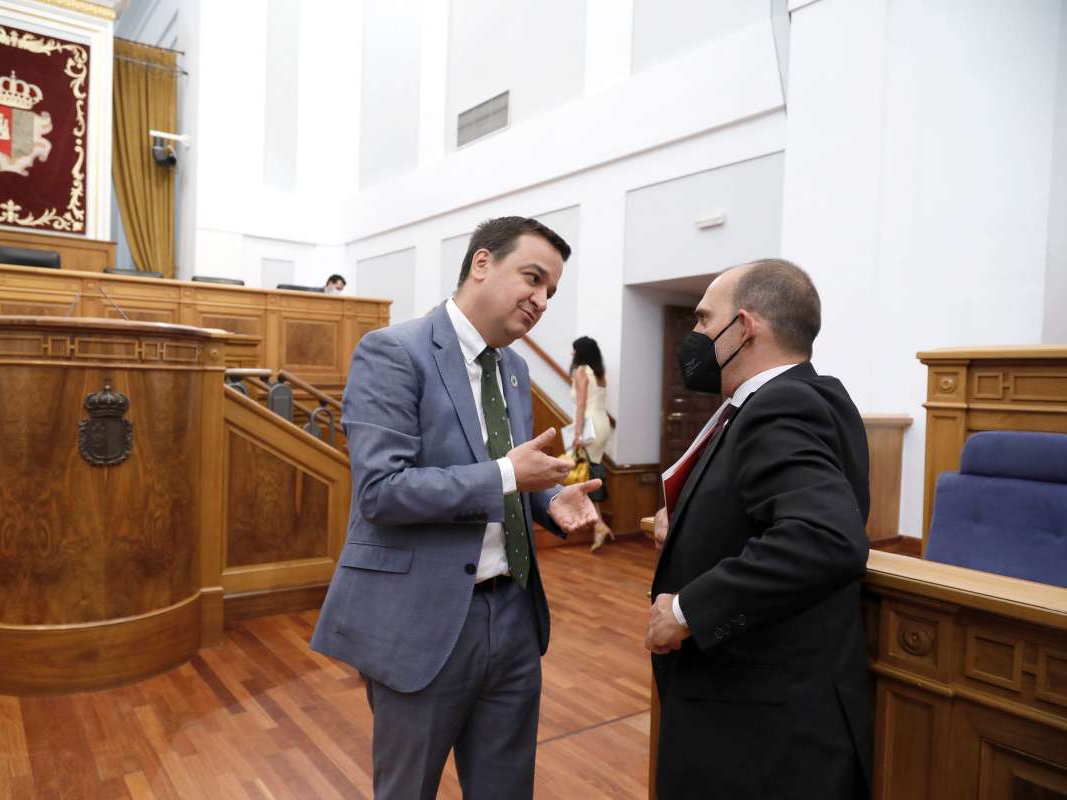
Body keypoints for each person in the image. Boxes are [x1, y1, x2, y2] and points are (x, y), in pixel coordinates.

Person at [311, 216, 602, 799]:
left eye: (551, 291)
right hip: (424, 620)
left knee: (505, 787)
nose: (542, 300)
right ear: (482, 263)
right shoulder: (394, 351)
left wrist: (549, 501)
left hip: (515, 614)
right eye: (534, 278)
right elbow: (382, 491)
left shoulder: (514, 371)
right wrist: (508, 475)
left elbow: (508, 472)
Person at [645, 259, 872, 799]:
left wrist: (685, 611)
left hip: (758, 732)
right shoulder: (801, 396)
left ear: (744, 328)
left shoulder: (782, 406)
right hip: (762, 713)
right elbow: (760, 503)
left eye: (704, 320)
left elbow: (824, 538)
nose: (695, 335)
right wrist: (690, 519)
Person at [567, 335, 615, 552]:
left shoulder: (580, 371)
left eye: (574, 350)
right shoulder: (599, 372)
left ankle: (598, 524)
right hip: (603, 423)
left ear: (581, 352)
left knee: (581, 474)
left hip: (589, 425)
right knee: (590, 473)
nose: (572, 354)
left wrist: (577, 434)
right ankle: (599, 525)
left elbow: (581, 405)